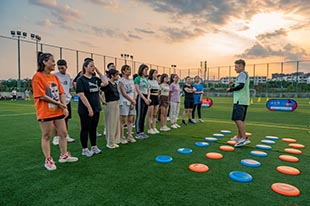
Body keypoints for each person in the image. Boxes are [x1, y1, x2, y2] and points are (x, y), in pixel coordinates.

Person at [32, 52, 78, 171]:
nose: (54, 64)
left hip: (58, 111)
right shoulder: (37, 77)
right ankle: (48, 160)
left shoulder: (54, 77)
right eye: (52, 61)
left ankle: (64, 155)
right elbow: (41, 96)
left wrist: (64, 107)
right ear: (44, 62)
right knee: (46, 136)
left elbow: (61, 92)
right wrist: (60, 104)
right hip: (45, 111)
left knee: (63, 133)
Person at [76, 58, 104, 157]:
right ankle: (84, 149)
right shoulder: (81, 80)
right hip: (85, 110)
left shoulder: (95, 79)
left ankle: (94, 146)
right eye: (91, 66)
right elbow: (81, 95)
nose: (93, 68)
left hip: (96, 108)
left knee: (93, 128)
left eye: (94, 66)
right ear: (85, 67)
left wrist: (99, 72)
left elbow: (105, 83)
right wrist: (89, 108)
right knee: (85, 128)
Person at [226, 59, 250, 147]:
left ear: (241, 66)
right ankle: (239, 136)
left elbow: (241, 86)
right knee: (240, 119)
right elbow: (240, 85)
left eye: (236, 67)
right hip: (244, 100)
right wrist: (233, 85)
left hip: (240, 100)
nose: (235, 69)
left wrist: (230, 89)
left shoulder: (242, 74)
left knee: (237, 119)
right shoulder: (244, 74)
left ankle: (243, 138)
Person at [52, 59, 75, 145]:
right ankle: (56, 137)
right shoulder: (54, 76)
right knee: (56, 120)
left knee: (66, 119)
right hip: (58, 101)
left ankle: (66, 135)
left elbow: (68, 88)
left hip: (67, 100)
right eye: (59, 68)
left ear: (66, 67)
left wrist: (68, 96)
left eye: (62, 68)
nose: (61, 69)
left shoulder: (68, 76)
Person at [101, 69, 122, 148]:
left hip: (116, 103)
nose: (118, 76)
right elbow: (99, 91)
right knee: (110, 123)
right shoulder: (107, 84)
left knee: (116, 123)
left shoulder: (115, 84)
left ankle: (115, 140)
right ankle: (110, 142)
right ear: (112, 75)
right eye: (116, 75)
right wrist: (103, 100)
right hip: (110, 104)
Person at [119, 65, 136, 144]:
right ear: (123, 71)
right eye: (127, 70)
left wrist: (134, 101)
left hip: (132, 102)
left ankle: (130, 136)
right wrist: (132, 100)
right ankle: (121, 137)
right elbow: (124, 93)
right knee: (122, 120)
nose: (129, 71)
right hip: (124, 102)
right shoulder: (121, 81)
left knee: (130, 119)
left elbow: (134, 92)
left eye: (130, 69)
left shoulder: (131, 81)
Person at [134, 64, 151, 139]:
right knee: (139, 115)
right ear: (141, 70)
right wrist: (144, 99)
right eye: (145, 69)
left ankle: (142, 132)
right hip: (141, 98)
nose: (146, 71)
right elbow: (138, 90)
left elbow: (148, 89)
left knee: (144, 115)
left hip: (146, 97)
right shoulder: (138, 78)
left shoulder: (146, 80)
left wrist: (148, 98)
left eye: (147, 70)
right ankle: (138, 132)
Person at [146, 69, 160, 134]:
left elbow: (158, 90)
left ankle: (154, 127)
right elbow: (148, 90)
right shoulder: (148, 81)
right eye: (155, 73)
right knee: (150, 114)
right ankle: (149, 128)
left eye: (156, 73)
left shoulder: (156, 81)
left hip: (156, 97)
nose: (156, 74)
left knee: (155, 114)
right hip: (151, 97)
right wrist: (148, 98)